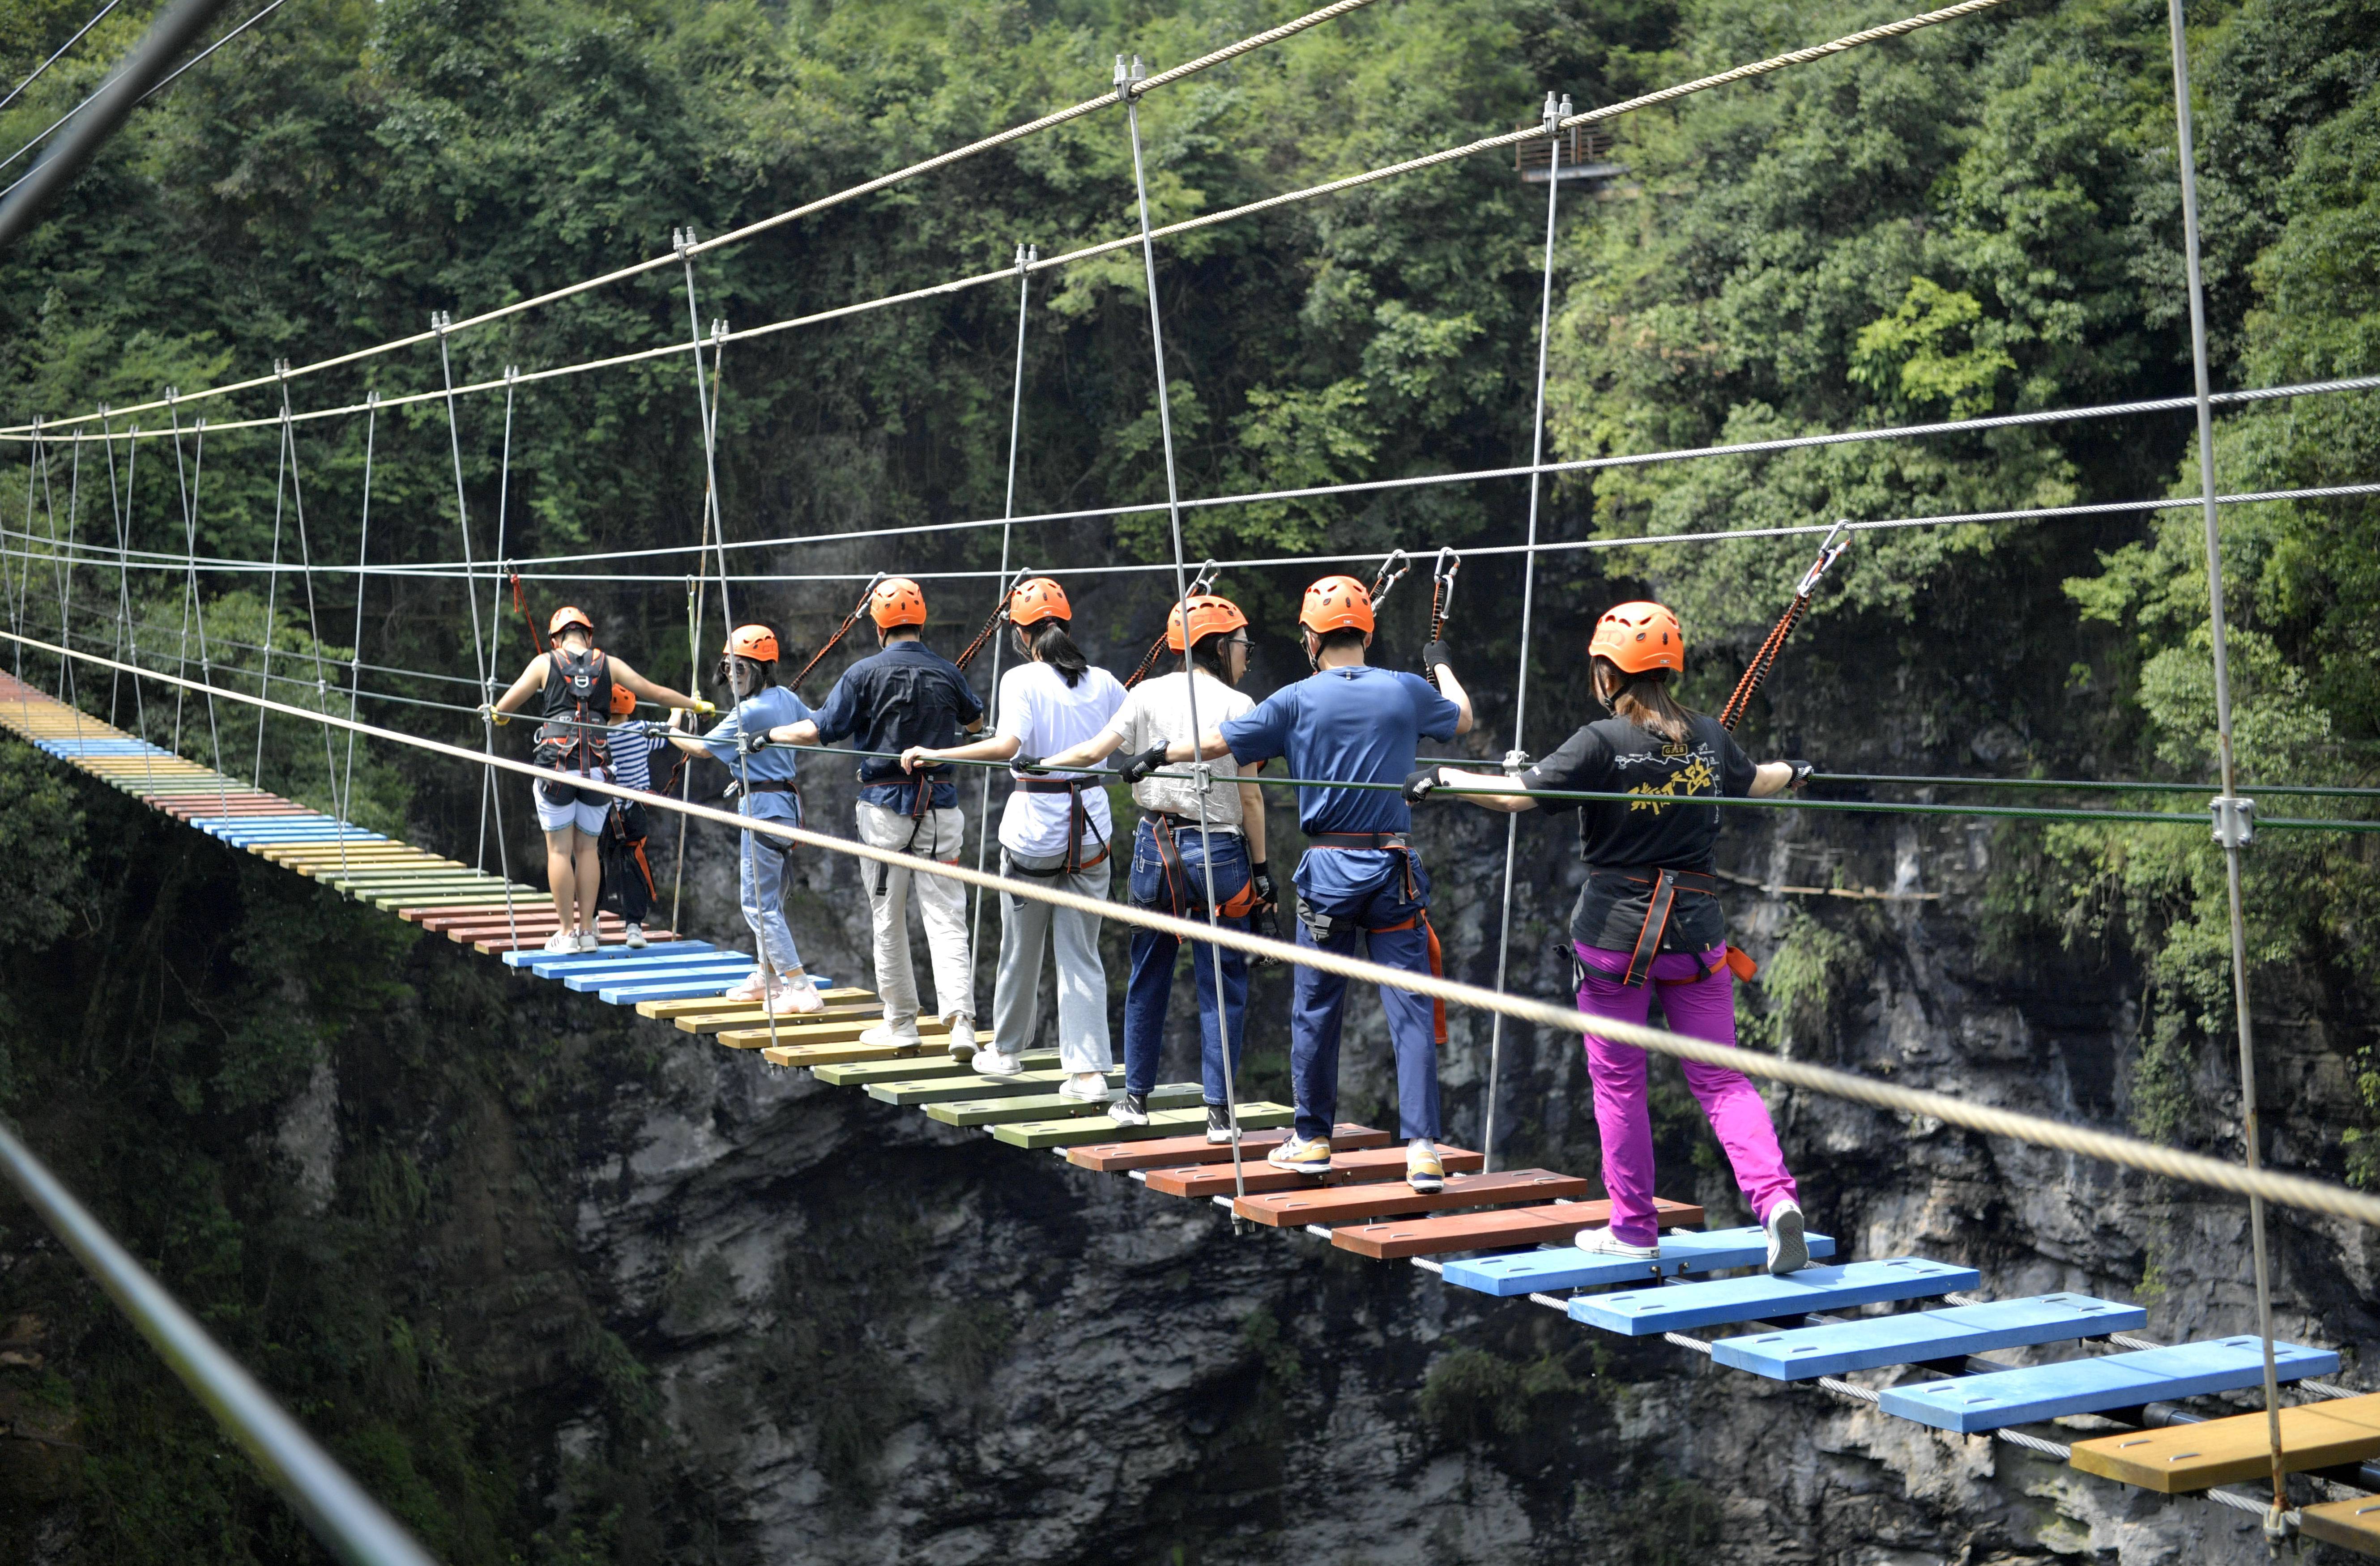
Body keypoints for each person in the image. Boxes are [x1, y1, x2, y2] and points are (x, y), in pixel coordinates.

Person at [1405, 599, 1814, 1274]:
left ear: (1606, 671)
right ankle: (1774, 1204)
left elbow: (1515, 796)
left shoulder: (1598, 742)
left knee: (1618, 1081)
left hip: (1616, 939)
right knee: (1719, 1078)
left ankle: (1633, 1228)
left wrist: (1442, 780)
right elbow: (1757, 780)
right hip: (1694, 933)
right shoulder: (1710, 738)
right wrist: (1795, 773)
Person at [1135, 574, 1472, 1192]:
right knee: (1410, 1009)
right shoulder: (1404, 690)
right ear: (1365, 632)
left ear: (1309, 639)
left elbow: (1215, 744)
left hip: (1328, 874)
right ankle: (1423, 1149)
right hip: (1391, 867)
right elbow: (1463, 718)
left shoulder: (1293, 699)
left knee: (1316, 1006)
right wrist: (1440, 667)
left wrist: (1158, 755)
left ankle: (1312, 1138)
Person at [1035, 592, 1269, 1142]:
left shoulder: (1144, 693)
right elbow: (1252, 797)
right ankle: (1219, 1115)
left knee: (1149, 974)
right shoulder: (1240, 706)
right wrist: (1261, 874)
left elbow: (1095, 751)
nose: (1245, 653)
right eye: (1240, 643)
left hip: (1155, 847)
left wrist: (1038, 764)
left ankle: (1135, 1099)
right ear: (1217, 645)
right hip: (1219, 850)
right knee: (1222, 980)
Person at [900, 578, 1125, 1101]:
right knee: (1081, 952)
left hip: (1036, 833)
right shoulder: (1108, 682)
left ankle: (1005, 1052)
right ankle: (1089, 1072)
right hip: (1091, 828)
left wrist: (936, 753)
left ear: (1023, 636)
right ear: (1064, 625)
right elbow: (1123, 741)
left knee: (1020, 948)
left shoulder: (1021, 678)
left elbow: (1007, 745)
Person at [764, 578, 984, 1053]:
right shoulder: (947, 672)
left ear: (878, 626)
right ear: (921, 620)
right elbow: (976, 725)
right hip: (940, 808)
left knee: (888, 918)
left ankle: (901, 1021)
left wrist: (769, 735)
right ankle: (961, 1022)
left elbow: (821, 729)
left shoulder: (863, 673)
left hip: (885, 810)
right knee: (947, 917)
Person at [487, 606, 702, 954]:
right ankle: (588, 932)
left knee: (559, 850)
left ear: (556, 638)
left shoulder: (545, 663)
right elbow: (654, 692)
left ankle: (567, 934)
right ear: (588, 636)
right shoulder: (609, 664)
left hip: (556, 770)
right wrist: (694, 705)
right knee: (588, 850)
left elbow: (505, 708)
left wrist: (498, 715)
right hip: (599, 774)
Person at [668, 624, 828, 1016]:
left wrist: (670, 728)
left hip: (762, 806)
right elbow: (815, 727)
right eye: (729, 669)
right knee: (768, 898)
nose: (733, 676)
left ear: (761, 670)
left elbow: (701, 750)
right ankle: (767, 975)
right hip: (781, 804)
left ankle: (799, 986)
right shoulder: (786, 697)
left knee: (757, 904)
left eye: (741, 669)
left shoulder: (749, 710)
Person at [601, 680, 667, 948]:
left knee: (594, 862)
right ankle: (633, 928)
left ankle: (591, 922)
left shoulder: (595, 734)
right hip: (634, 811)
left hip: (604, 811)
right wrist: (682, 708)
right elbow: (671, 729)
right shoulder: (641, 731)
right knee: (633, 864)